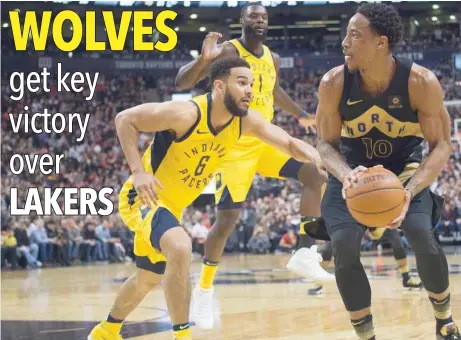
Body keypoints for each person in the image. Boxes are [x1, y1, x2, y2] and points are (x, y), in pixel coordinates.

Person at [88, 57, 321, 340]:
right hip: (143, 198)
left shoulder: (244, 122)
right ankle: (182, 336)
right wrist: (138, 171)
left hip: (173, 208)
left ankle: (105, 331)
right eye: (242, 82)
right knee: (180, 246)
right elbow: (125, 119)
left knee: (147, 279)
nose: (250, 90)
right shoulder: (186, 113)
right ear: (220, 86)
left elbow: (286, 142)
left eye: (252, 84)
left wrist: (317, 157)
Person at [175, 2, 331, 329]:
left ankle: (303, 251)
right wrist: (203, 60)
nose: (259, 20)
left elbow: (274, 91)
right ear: (242, 20)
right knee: (228, 219)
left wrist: (300, 114)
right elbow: (182, 83)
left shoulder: (272, 57)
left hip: (266, 139)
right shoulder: (227, 51)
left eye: (263, 16)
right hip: (233, 145)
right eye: (253, 15)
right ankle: (204, 288)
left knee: (315, 173)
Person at [313, 3, 460, 339]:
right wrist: (346, 175)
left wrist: (410, 190)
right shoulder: (333, 83)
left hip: (405, 171)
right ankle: (366, 335)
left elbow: (441, 146)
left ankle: (444, 317)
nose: (344, 43)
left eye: (354, 36)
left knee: (420, 232)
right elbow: (324, 145)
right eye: (346, 35)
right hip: (350, 172)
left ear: (381, 43)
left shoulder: (421, 82)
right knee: (344, 244)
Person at [303, 228, 423, 296]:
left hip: (378, 216)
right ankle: (318, 282)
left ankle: (406, 278)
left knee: (398, 244)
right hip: (358, 214)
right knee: (331, 245)